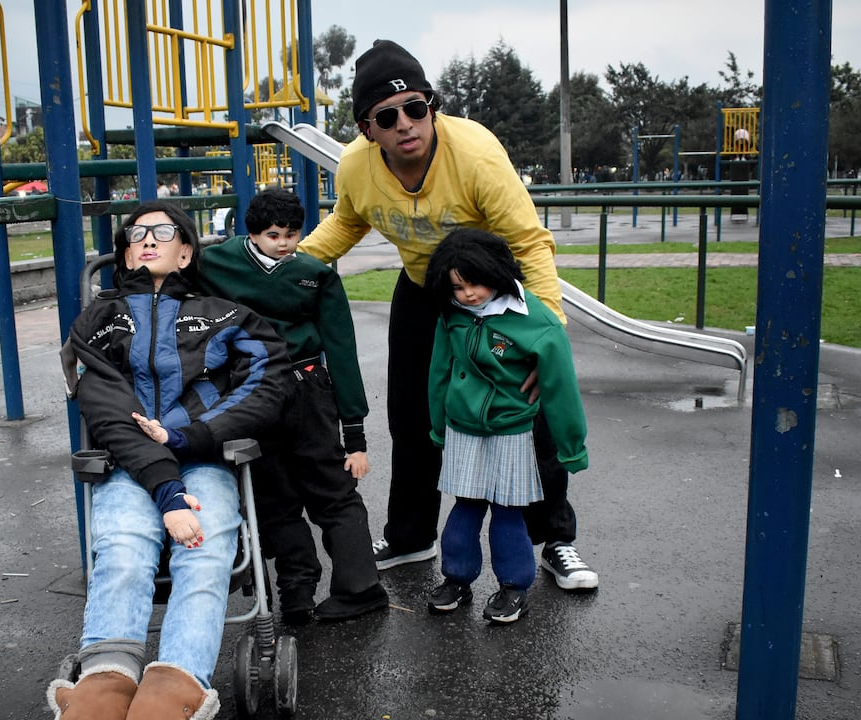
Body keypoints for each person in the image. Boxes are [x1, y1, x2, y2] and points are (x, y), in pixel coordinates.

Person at [297, 39, 599, 591]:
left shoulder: (475, 153)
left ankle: (556, 539)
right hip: (422, 291)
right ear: (367, 128)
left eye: (418, 107)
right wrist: (284, 268)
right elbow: (346, 224)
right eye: (387, 117)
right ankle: (412, 536)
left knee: (528, 411)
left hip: (497, 295)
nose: (407, 124)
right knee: (412, 417)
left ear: (432, 107)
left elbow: (530, 245)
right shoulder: (356, 167)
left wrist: (544, 332)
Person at [49, 201, 289, 719]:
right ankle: (103, 684)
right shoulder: (98, 323)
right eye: (136, 234)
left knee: (205, 549)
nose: (148, 239)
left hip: (203, 458)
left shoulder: (226, 316)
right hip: (132, 467)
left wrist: (191, 436)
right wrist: (167, 488)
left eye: (163, 231)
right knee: (124, 549)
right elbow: (108, 412)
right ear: (125, 255)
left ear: (185, 252)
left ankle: (177, 682)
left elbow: (269, 380)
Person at [199, 187, 388, 625]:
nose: (283, 243)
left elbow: (341, 349)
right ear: (251, 232)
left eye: (292, 234)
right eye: (273, 235)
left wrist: (354, 432)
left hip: (306, 384)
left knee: (330, 487)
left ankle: (361, 587)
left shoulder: (315, 274)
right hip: (250, 388)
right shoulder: (215, 263)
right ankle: (296, 590)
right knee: (272, 492)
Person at [422, 229, 588, 623]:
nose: (470, 295)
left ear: (498, 272)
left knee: (508, 510)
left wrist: (572, 447)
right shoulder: (453, 314)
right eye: (458, 287)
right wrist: (438, 426)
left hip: (512, 428)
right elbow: (439, 371)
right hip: (464, 427)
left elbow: (561, 388)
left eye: (476, 283)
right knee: (465, 506)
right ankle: (457, 579)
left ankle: (514, 587)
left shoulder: (537, 322)